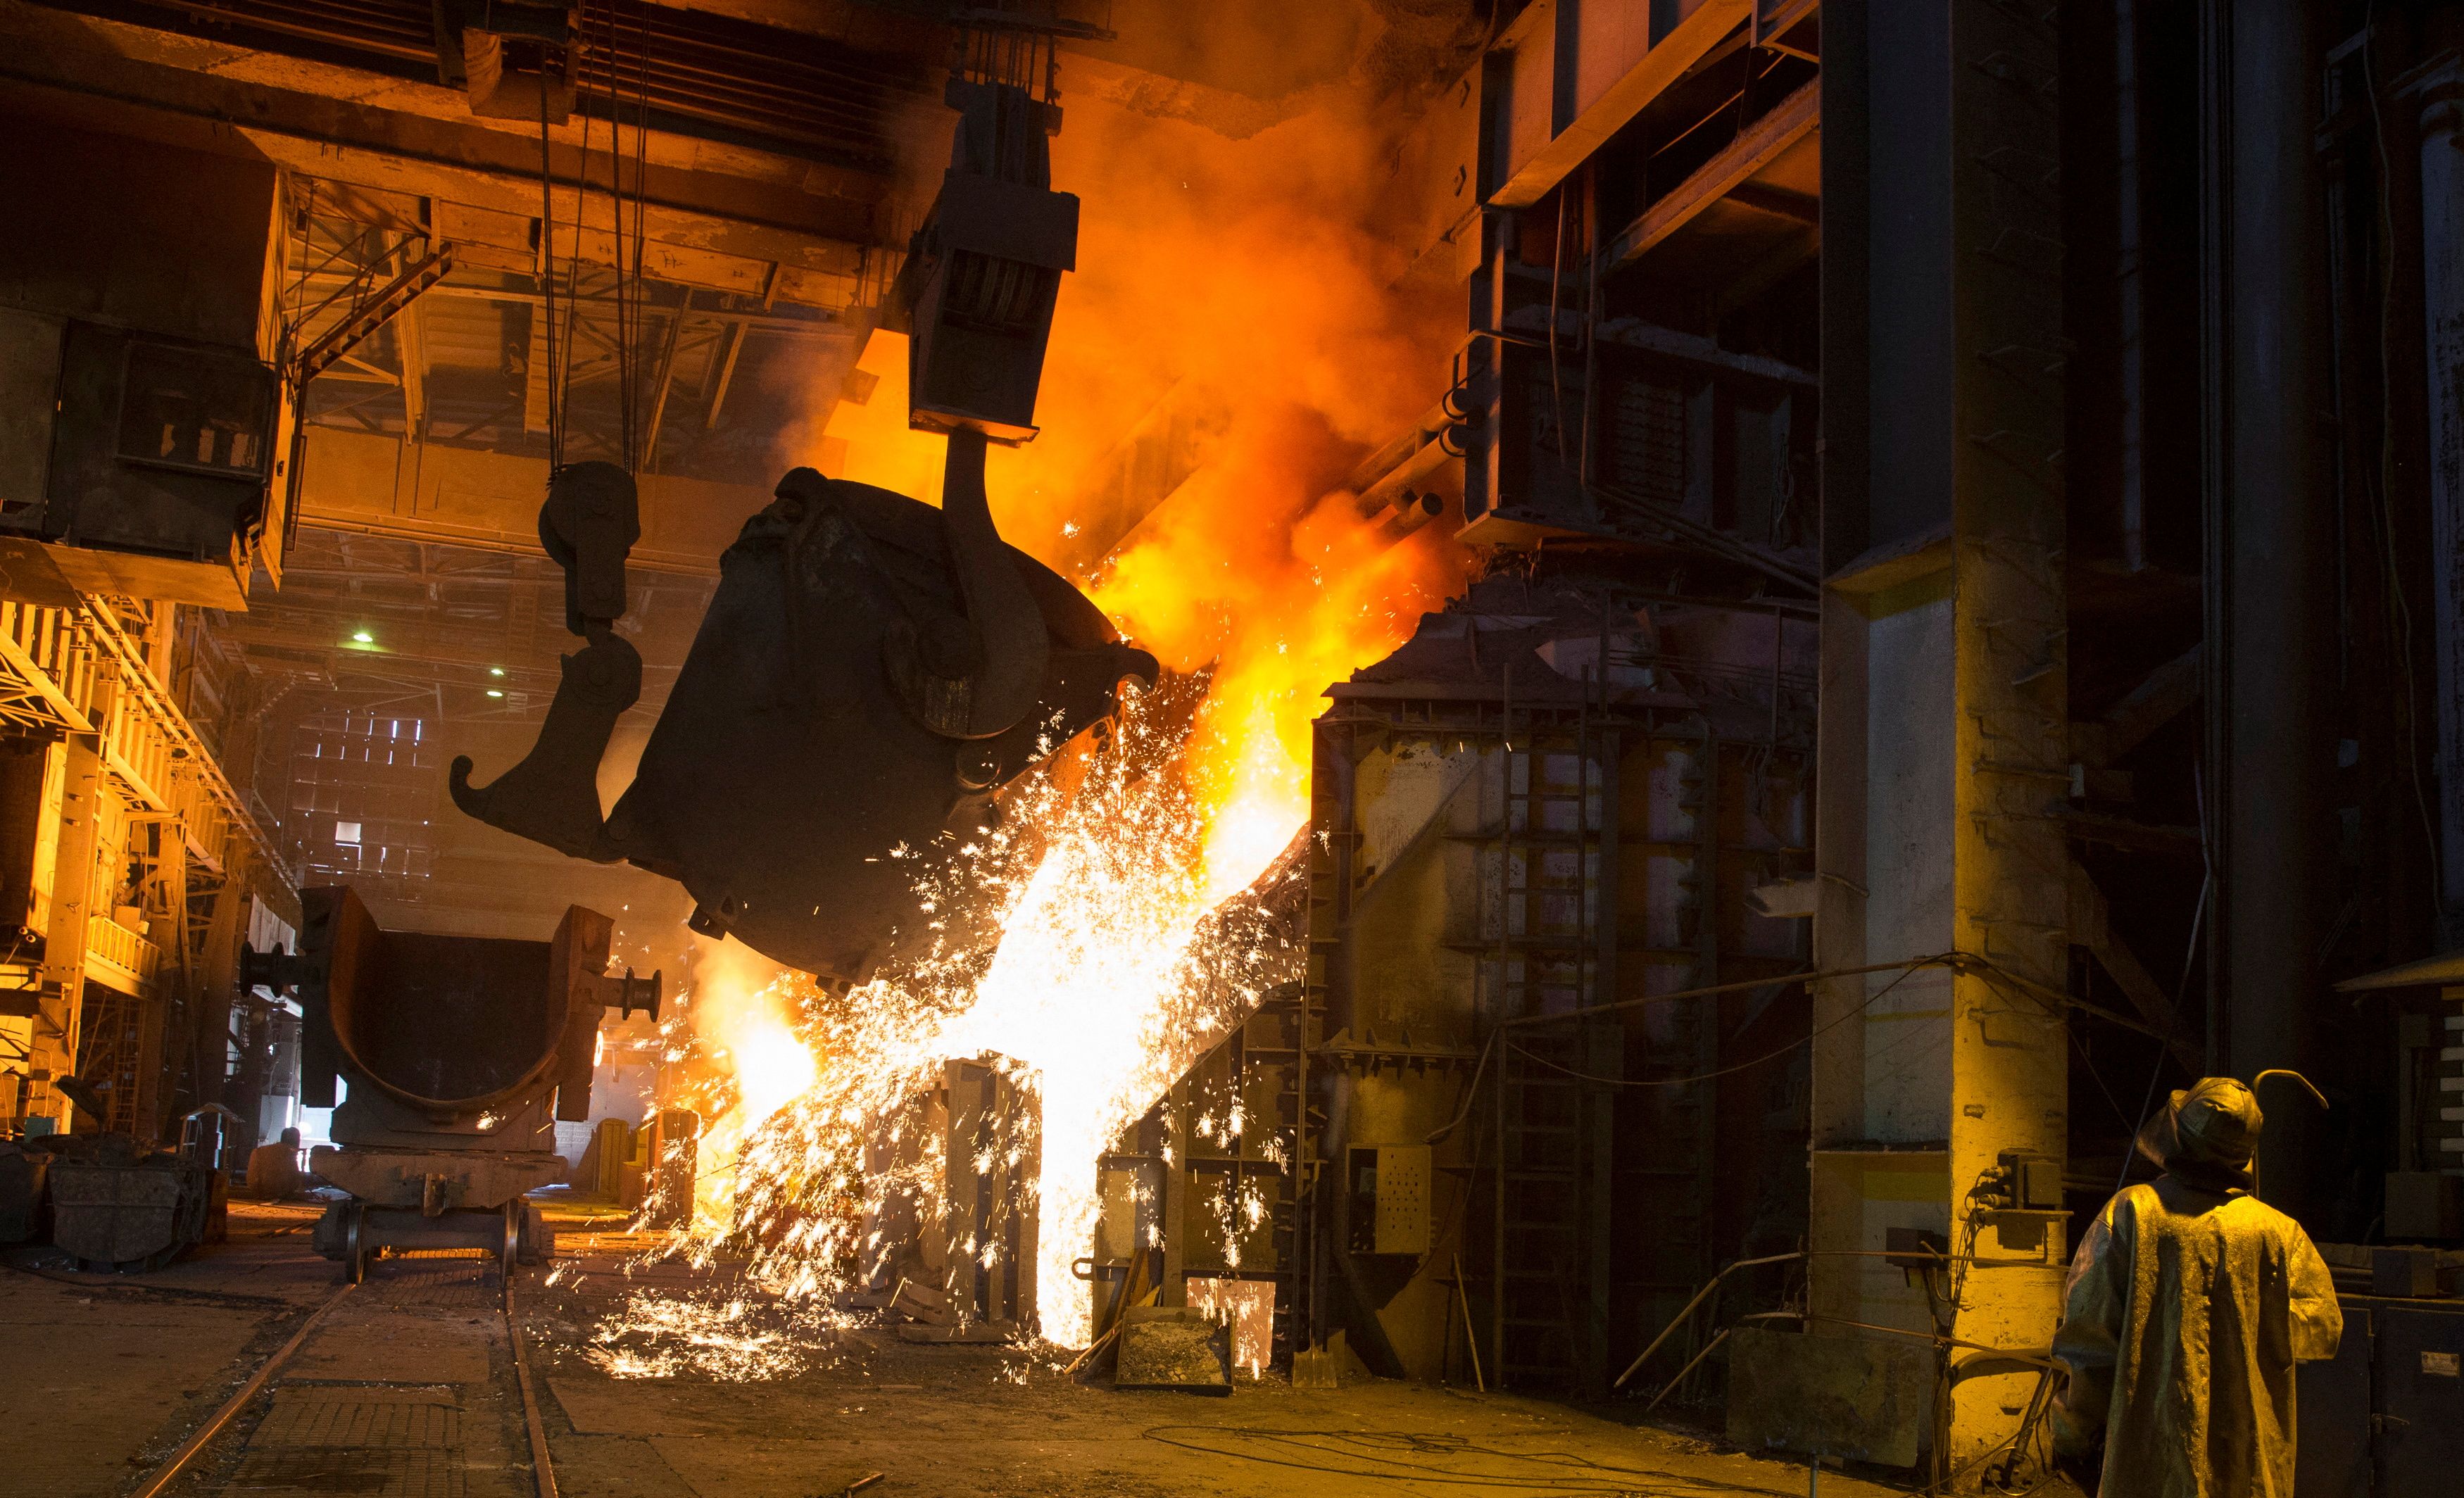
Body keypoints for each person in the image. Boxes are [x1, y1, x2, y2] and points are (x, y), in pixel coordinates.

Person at [2050, 1076, 2342, 1497]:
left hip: (2150, 1449)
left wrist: (2074, 1431)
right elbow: (2323, 1329)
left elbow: (2089, 1340)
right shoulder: (2280, 1231)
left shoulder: (2132, 1213)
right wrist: (2247, 1320)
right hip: (2247, 1453)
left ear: (2177, 1136)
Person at [246, 1126, 308, 1198]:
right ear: (297, 1140)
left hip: (256, 1187)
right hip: (279, 1190)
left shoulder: (259, 1151)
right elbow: (294, 1177)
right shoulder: (289, 1152)